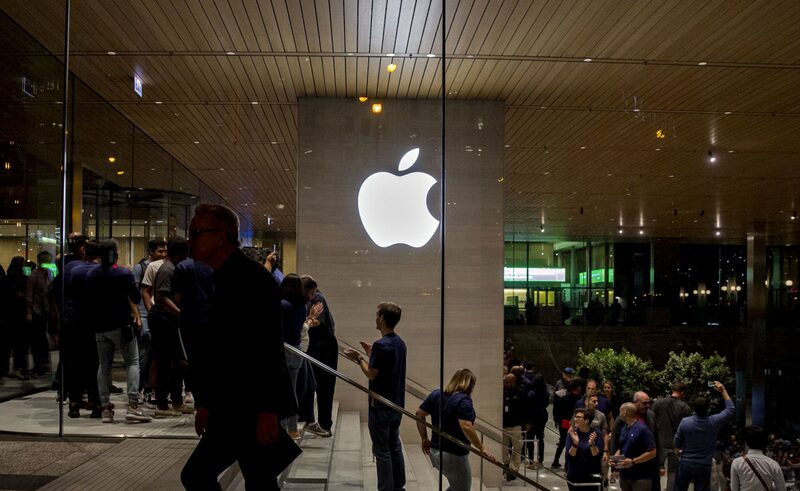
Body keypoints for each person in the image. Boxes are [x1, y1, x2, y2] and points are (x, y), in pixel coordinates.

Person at [181, 204, 296, 491]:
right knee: (259, 481)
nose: (190, 240)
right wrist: (205, 401)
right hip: (235, 403)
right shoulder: (221, 278)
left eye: (196, 232)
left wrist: (268, 411)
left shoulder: (251, 280)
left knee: (198, 475)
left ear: (221, 235)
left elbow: (268, 347)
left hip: (246, 406)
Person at [344, 302, 407, 491]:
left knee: (382, 450)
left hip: (380, 406)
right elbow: (388, 368)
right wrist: (371, 353)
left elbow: (372, 374)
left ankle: (385, 488)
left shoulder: (381, 345)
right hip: (396, 405)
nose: (375, 318)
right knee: (394, 445)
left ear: (381, 318)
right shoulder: (400, 344)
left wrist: (360, 359)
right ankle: (398, 485)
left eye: (377, 314)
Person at [88, 240, 151, 424]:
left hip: (100, 326)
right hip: (122, 325)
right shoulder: (123, 273)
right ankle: (133, 405)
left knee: (103, 365)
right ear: (115, 254)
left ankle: (106, 408)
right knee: (132, 361)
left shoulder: (91, 274)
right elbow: (136, 296)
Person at [415, 368, 495, 491]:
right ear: (469, 384)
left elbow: (419, 414)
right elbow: (466, 425)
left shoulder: (436, 394)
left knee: (456, 488)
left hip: (435, 452)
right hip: (453, 456)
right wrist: (482, 448)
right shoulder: (464, 400)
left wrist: (424, 438)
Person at [148, 236, 192, 417]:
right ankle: (161, 404)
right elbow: (161, 297)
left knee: (176, 363)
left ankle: (176, 401)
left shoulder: (175, 268)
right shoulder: (167, 269)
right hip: (163, 320)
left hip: (170, 320)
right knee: (165, 362)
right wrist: (181, 313)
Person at [674, 381, 735, 491]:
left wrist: (679, 452)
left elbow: (677, 443)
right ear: (708, 407)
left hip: (686, 462)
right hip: (704, 464)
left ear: (693, 408)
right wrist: (723, 390)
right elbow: (730, 409)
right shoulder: (714, 422)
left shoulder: (685, 422)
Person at [298, 275, 337, 437]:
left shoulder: (318, 297)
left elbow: (317, 322)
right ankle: (307, 418)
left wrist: (308, 320)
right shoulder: (300, 300)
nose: (312, 296)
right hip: (312, 347)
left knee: (324, 387)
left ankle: (324, 423)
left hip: (325, 348)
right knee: (309, 383)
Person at [132, 238, 167, 404]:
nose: (163, 254)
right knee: (144, 353)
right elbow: (135, 293)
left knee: (154, 354)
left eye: (165, 251)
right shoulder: (141, 267)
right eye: (160, 251)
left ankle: (149, 388)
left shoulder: (163, 267)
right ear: (151, 252)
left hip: (155, 313)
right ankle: (140, 389)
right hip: (144, 313)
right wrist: (138, 315)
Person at [653, 382, 693, 491]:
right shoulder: (684, 407)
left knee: (656, 471)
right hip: (676, 444)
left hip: (659, 442)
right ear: (683, 393)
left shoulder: (658, 403)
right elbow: (688, 427)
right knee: (673, 473)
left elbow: (651, 420)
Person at [614, 402, 657, 491]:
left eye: (620, 411)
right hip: (625, 476)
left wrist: (633, 461)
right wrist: (615, 460)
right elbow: (622, 447)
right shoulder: (624, 428)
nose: (619, 414)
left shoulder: (643, 429)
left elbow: (653, 452)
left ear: (625, 412)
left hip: (641, 477)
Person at [730, 425, 786, 491]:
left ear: (746, 442)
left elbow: (734, 488)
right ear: (764, 442)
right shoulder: (773, 464)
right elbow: (782, 489)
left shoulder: (737, 463)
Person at [25, 250, 53, 376]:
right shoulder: (34, 276)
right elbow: (29, 296)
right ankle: (39, 365)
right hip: (37, 311)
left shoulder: (49, 274)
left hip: (46, 310)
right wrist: (29, 312)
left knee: (43, 339)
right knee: (38, 339)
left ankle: (44, 364)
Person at [566, 407, 604, 491]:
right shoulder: (572, 433)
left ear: (587, 421)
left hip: (592, 477)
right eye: (575, 417)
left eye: (579, 417)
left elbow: (598, 456)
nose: (575, 419)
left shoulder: (596, 434)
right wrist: (575, 444)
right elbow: (569, 457)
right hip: (575, 476)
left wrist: (592, 445)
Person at [502, 373, 526, 480]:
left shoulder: (520, 392)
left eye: (511, 380)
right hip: (503, 425)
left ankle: (514, 469)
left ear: (515, 381)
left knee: (517, 448)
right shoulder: (502, 392)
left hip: (516, 425)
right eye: (507, 380)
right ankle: (506, 464)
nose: (508, 383)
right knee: (503, 447)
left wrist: (524, 424)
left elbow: (524, 408)